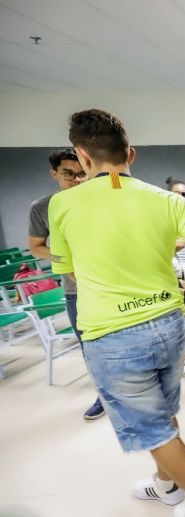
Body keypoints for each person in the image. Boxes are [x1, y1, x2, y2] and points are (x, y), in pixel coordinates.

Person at [49, 109, 185, 517]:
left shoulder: (62, 204)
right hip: (169, 324)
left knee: (153, 429)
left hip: (112, 335)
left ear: (81, 156)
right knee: (162, 412)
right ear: (130, 153)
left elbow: (71, 272)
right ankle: (166, 485)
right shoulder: (169, 199)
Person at [27, 148, 104, 421]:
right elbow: (36, 247)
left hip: (111, 285)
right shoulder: (42, 207)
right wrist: (68, 259)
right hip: (76, 291)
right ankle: (103, 395)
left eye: (82, 173)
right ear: (55, 174)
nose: (76, 179)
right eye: (68, 174)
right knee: (89, 346)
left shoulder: (102, 198)